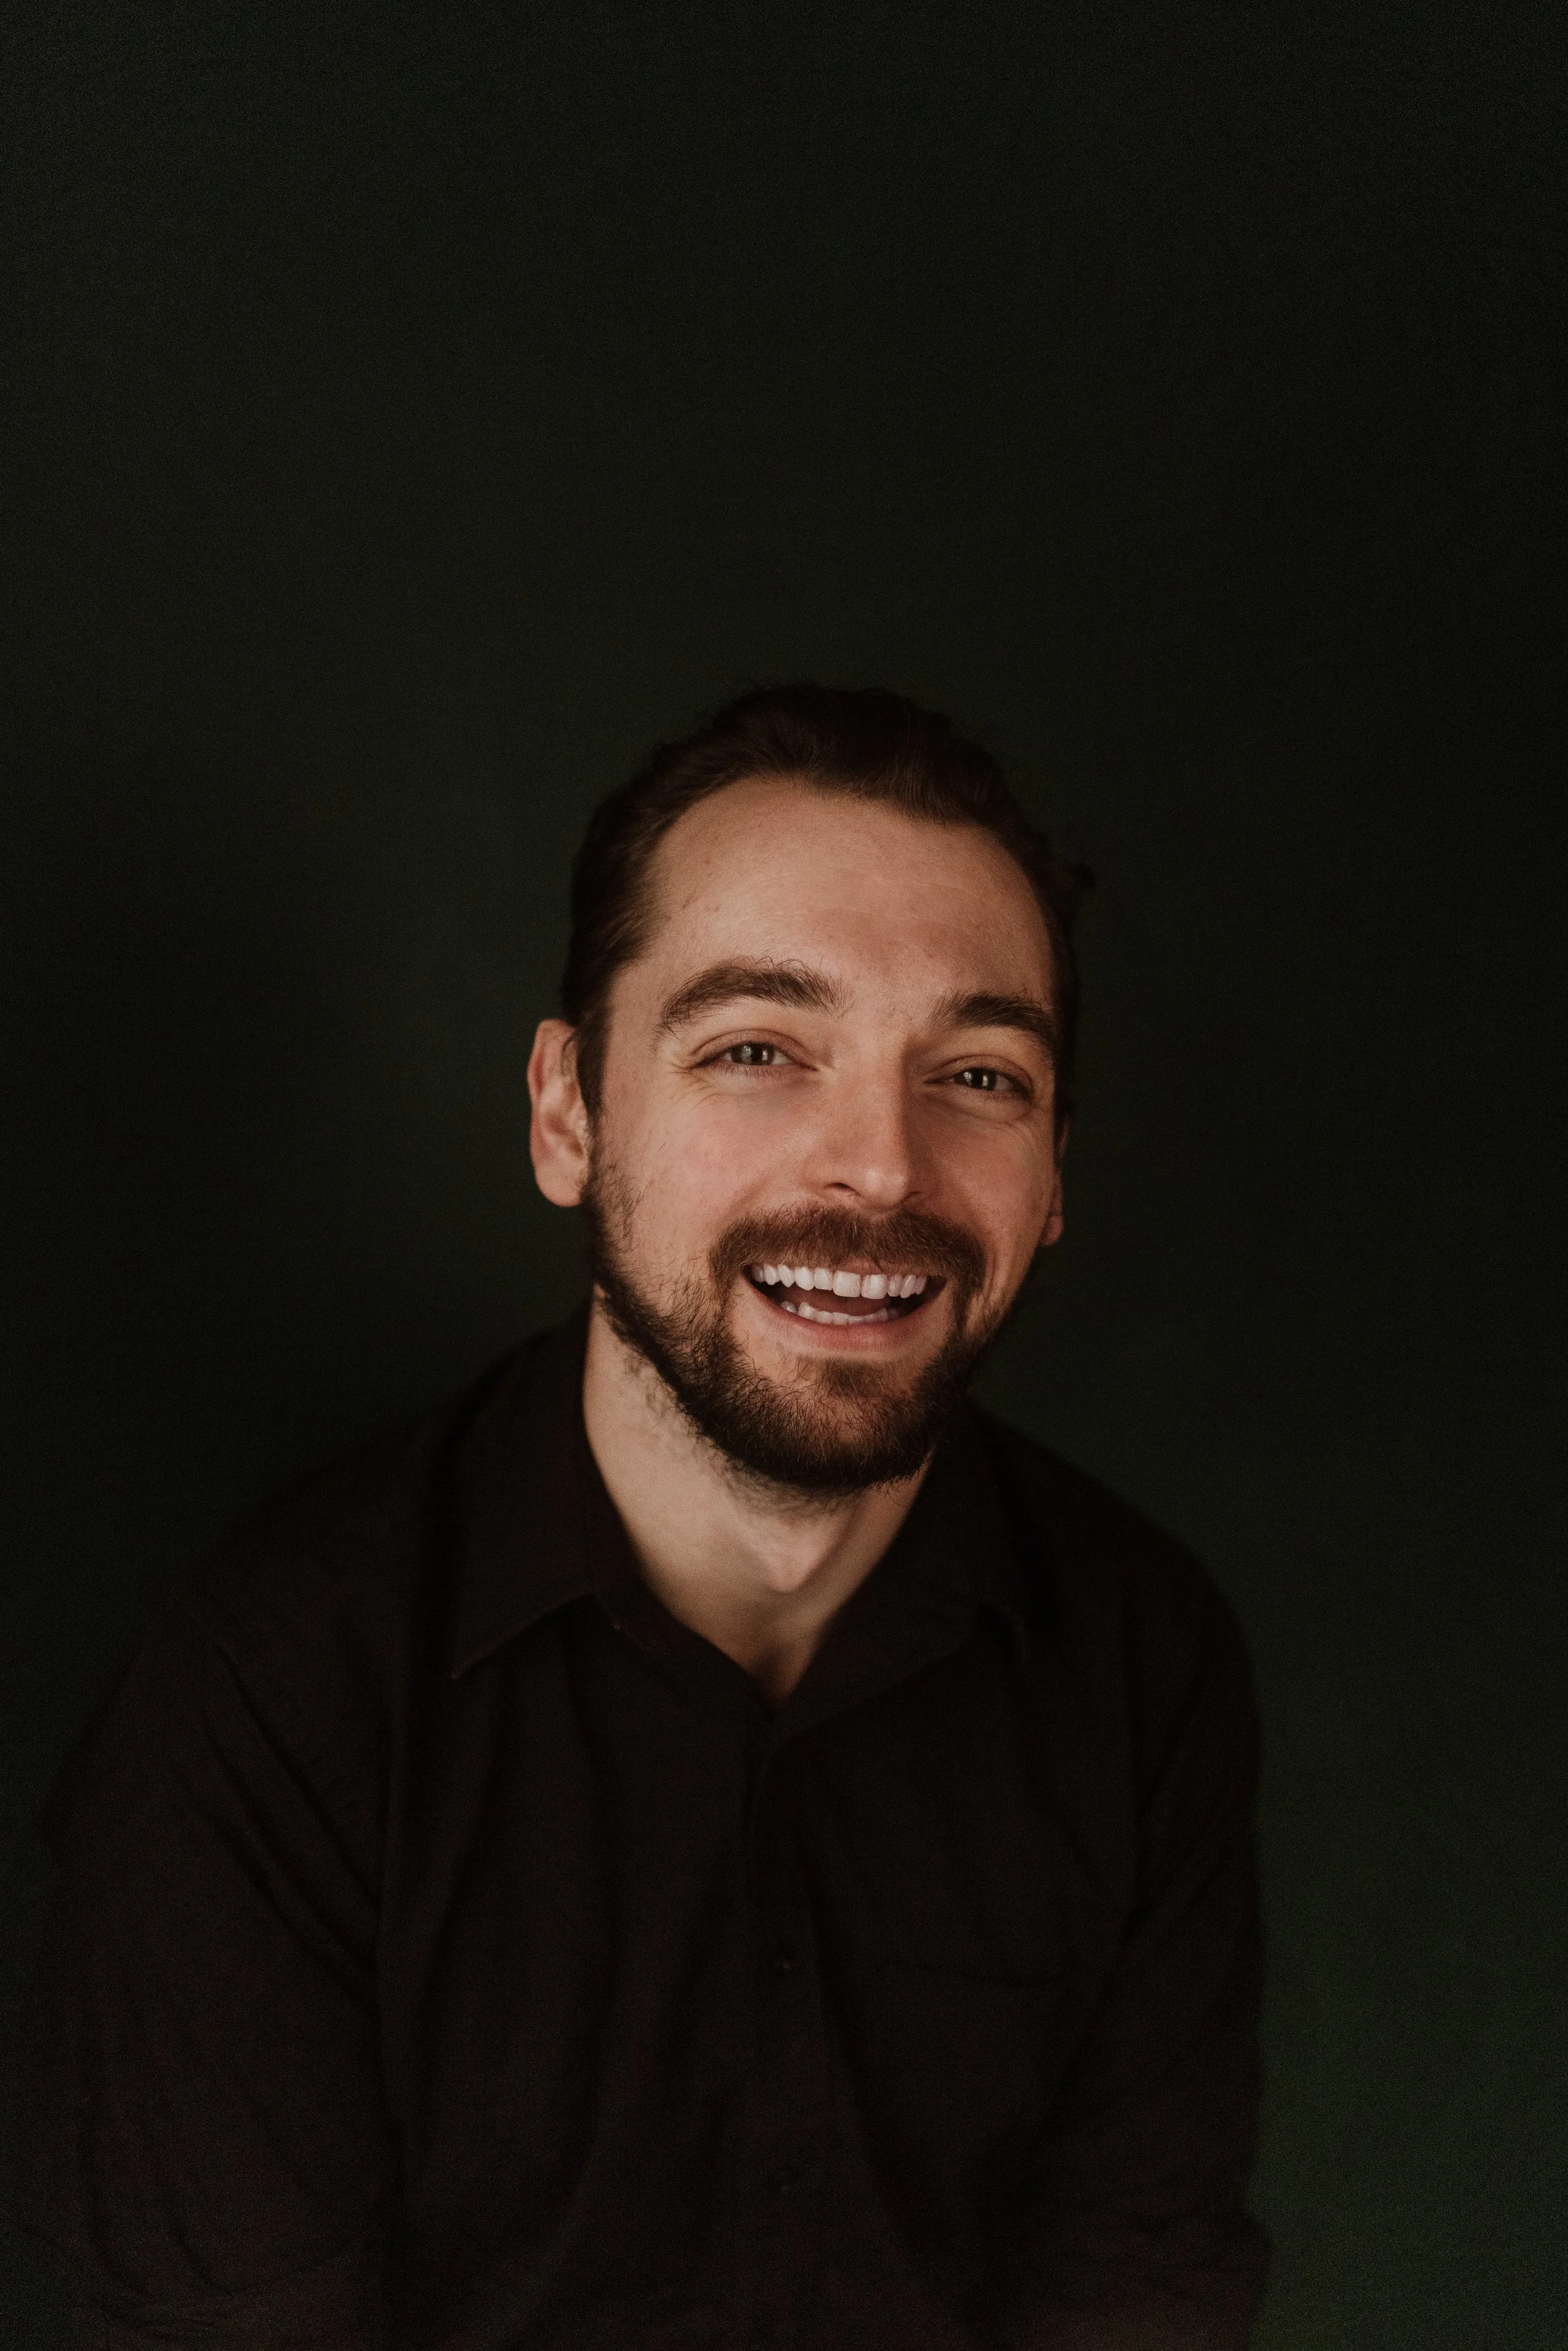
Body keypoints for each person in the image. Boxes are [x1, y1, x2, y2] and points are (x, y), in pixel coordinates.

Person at [13, 686, 1270, 2349]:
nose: (876, 1170)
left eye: (977, 1072)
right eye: (756, 1048)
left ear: (1049, 1182)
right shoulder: (262, 1702)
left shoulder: (1140, 1658)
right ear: (568, 1111)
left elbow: (1137, 2292)